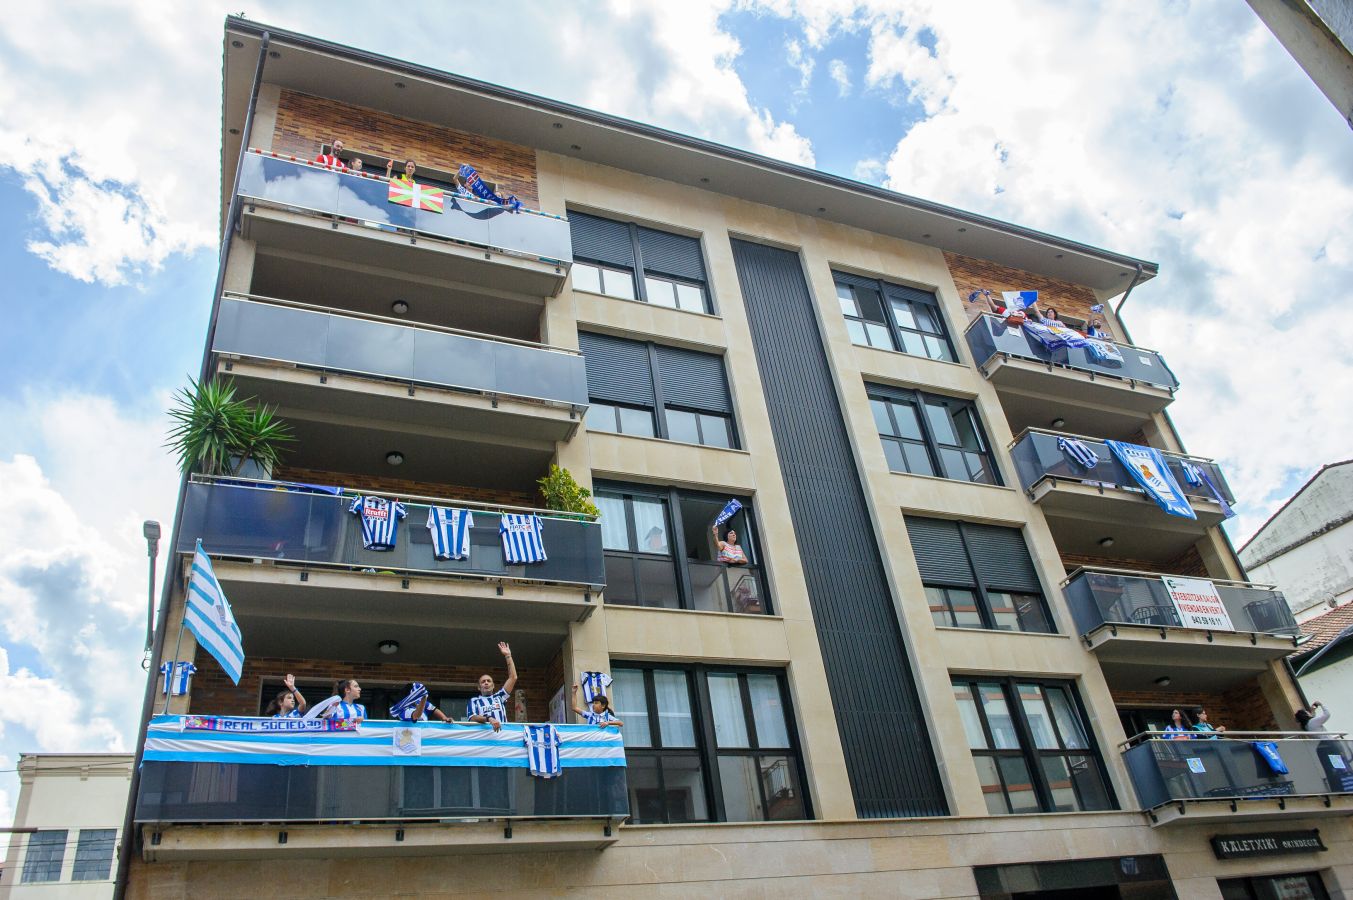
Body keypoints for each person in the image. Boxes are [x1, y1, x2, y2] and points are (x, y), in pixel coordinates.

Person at [467, 642, 517, 732]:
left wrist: (508, 656)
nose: (486, 683)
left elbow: (513, 678)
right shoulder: (474, 701)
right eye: (483, 682)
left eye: (489, 681)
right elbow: (472, 718)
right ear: (479, 687)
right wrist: (489, 718)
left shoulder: (499, 697)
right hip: (484, 737)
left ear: (493, 686)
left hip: (503, 735)